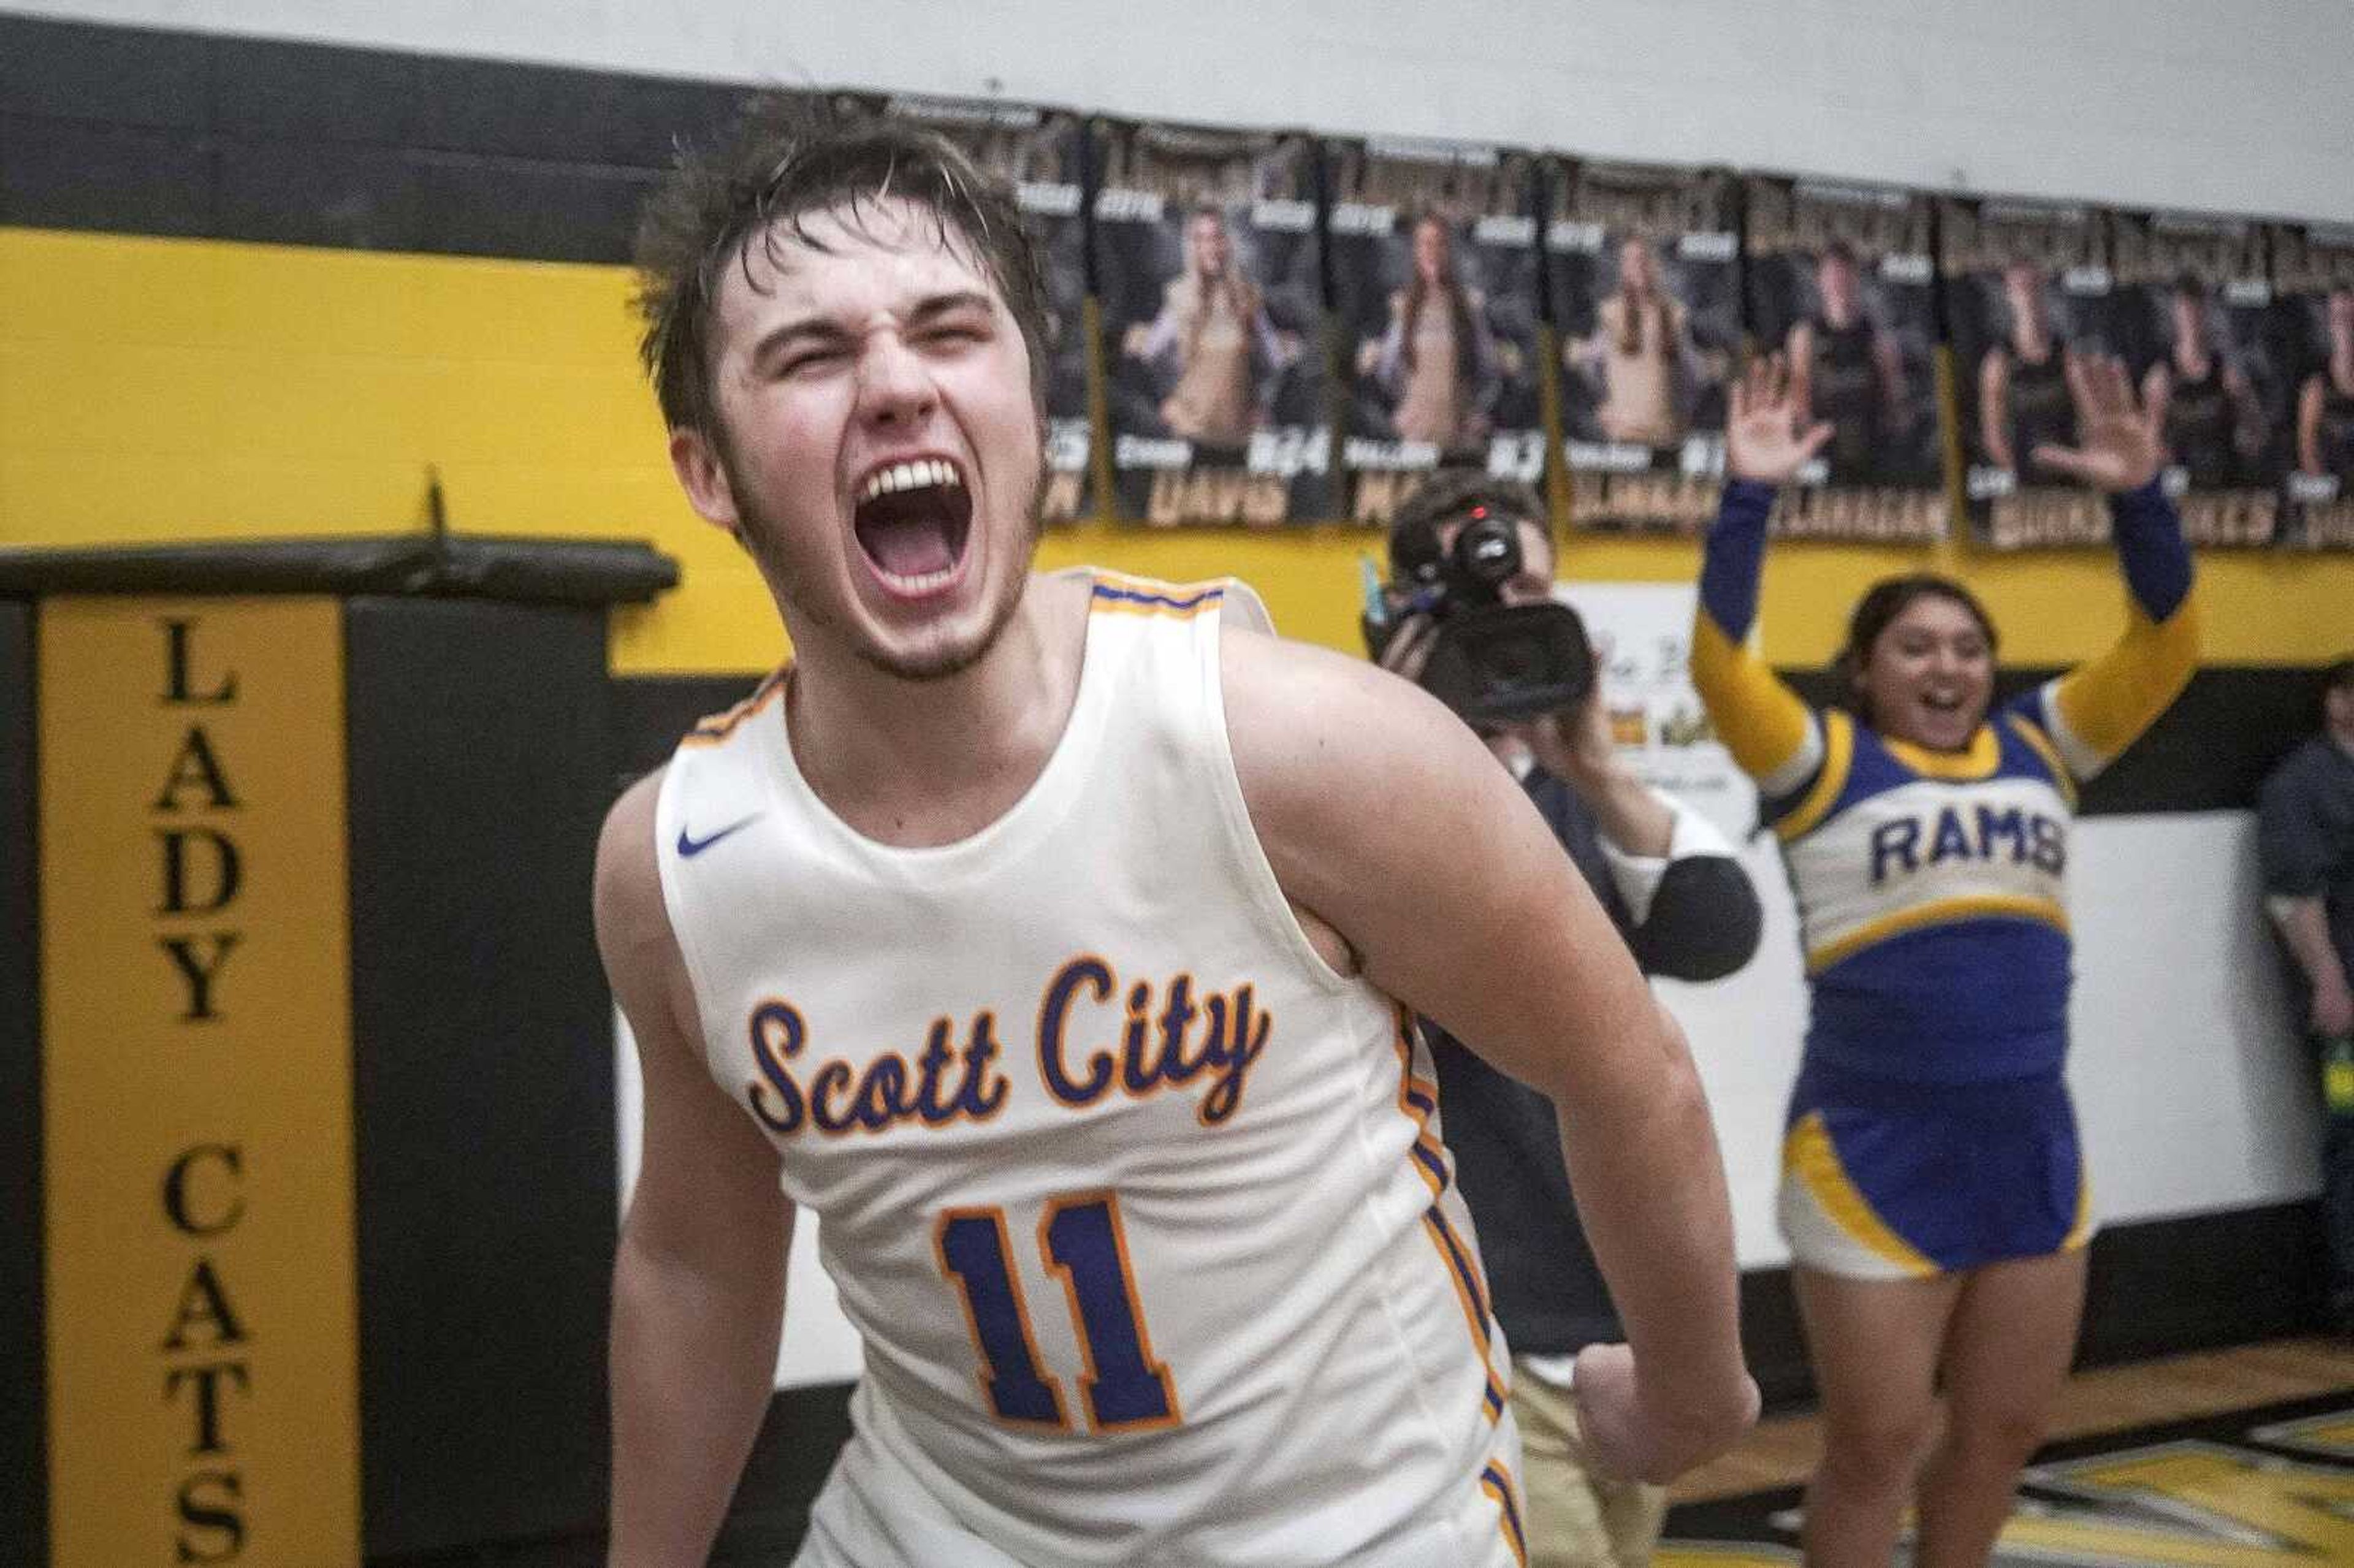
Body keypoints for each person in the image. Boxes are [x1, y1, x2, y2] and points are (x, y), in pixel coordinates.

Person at [604, 107, 1756, 1568]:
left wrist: (1689, 1386)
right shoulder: (674, 866)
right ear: (708, 471)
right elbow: (696, 1258)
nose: (893, 383)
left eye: (950, 331)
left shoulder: (1294, 745)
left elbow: (1621, 1064)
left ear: (1034, 407)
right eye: (812, 354)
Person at [1691, 352, 2198, 1568]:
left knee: (2008, 1425)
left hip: (2031, 1142)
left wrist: (2142, 499)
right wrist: (1748, 495)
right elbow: (1720, 661)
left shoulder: (2043, 746)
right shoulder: (1817, 762)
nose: (1948, 667)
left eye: (1968, 647)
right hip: (1872, 1151)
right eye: (1915, 647)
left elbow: (2168, 643)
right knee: (1876, 1442)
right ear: (1865, 669)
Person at [1374, 470, 1765, 1568]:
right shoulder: (1350, 799)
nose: (1502, 620)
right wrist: (1401, 734)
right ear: (1402, 619)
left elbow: (1718, 931)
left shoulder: (1581, 798)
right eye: (1467, 601)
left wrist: (1590, 763)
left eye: (1529, 590)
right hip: (1468, 1324)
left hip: (1620, 1317)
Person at [2257, 658, 2354, 1335]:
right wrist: (2328, 981)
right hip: (2347, 999)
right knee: (2352, 1135)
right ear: (2337, 702)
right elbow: (2295, 895)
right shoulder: (2303, 786)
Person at [1121, 204, 1288, 446]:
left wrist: (1262, 406)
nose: (1210, 247)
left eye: (1216, 237)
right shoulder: (1180, 297)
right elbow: (1149, 356)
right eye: (1201, 239)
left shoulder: (1247, 297)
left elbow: (1273, 359)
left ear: (1227, 242)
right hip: (1189, 430)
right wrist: (1166, 402)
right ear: (1193, 246)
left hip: (1238, 431)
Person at [1366, 215, 1501, 450]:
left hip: (1459, 432)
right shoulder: (1403, 306)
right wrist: (1409, 405)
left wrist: (1472, 410)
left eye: (1439, 243)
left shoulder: (1470, 306)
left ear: (1449, 251)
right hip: (1415, 432)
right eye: (1425, 244)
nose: (1432, 251)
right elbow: (1388, 371)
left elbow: (1488, 367)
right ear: (1416, 251)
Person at [1785, 242, 1907, 485]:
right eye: (1832, 275)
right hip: (1823, 447)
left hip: (1870, 448)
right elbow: (1799, 397)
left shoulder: (1878, 337)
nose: (1838, 282)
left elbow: (1895, 398)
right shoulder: (1805, 335)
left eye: (1844, 274)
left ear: (1855, 278)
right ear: (1820, 280)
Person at [2140, 275, 2260, 490]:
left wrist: (2245, 428)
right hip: (2180, 472)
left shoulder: (2226, 371)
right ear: (2176, 317)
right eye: (2185, 314)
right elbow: (2151, 440)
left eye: (2195, 313)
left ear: (2205, 315)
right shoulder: (2161, 376)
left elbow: (2252, 428)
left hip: (2222, 467)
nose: (2191, 321)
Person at [1569, 237, 1689, 447]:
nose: (1639, 266)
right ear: (1622, 268)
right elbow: (1584, 359)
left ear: (1656, 265)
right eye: (1630, 261)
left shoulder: (1675, 313)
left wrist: (1681, 412)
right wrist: (1603, 402)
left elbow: (1690, 374)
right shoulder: (1611, 312)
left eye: (1644, 259)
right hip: (1622, 429)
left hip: (1663, 431)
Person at [1977, 263, 2078, 479]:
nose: (2026, 293)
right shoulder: (1998, 362)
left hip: (2069, 471)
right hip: (2022, 474)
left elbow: (2088, 421)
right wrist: (2020, 476)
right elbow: (1993, 436)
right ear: (2008, 293)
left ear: (2042, 286)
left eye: (2032, 284)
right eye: (2019, 286)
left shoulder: (2069, 356)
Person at [2295, 287, 2354, 485]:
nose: (2347, 327)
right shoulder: (2316, 388)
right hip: (2333, 490)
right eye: (2340, 318)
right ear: (2330, 324)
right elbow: (2307, 448)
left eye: (2352, 317)